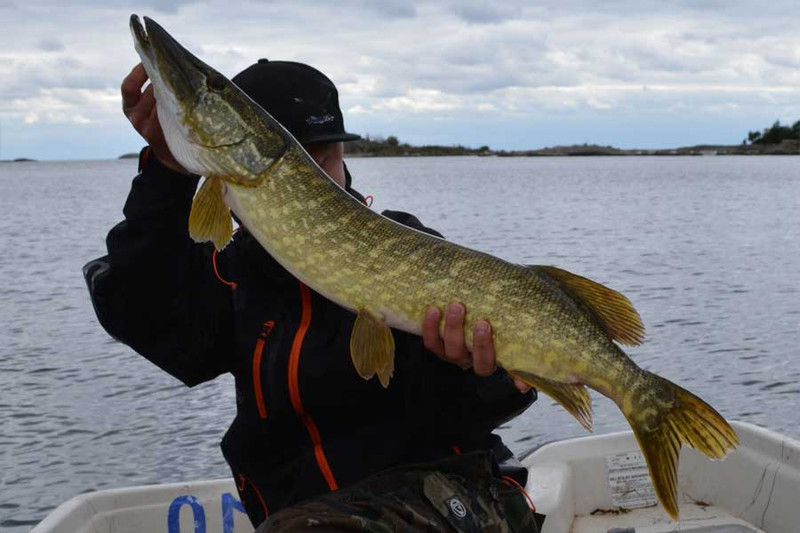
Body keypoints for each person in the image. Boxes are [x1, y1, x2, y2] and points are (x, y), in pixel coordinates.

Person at [84, 58, 539, 531]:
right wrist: (167, 170)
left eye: (325, 158)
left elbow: (465, 415)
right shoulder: (232, 276)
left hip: (453, 499)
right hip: (303, 515)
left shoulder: (407, 250)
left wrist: (489, 378)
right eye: (299, 160)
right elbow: (138, 310)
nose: (318, 175)